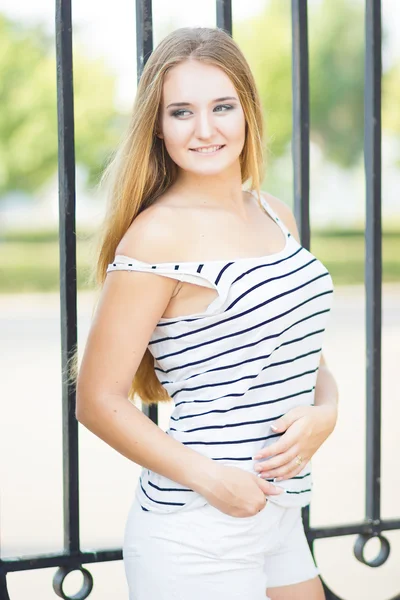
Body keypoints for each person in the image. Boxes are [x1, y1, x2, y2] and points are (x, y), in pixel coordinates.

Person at [76, 26, 339, 600]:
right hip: (196, 529)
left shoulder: (273, 213)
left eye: (222, 106)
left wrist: (328, 411)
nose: (205, 129)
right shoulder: (155, 236)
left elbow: (299, 352)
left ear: (247, 110)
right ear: (158, 125)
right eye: (180, 112)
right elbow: (97, 401)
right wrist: (214, 480)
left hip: (278, 515)